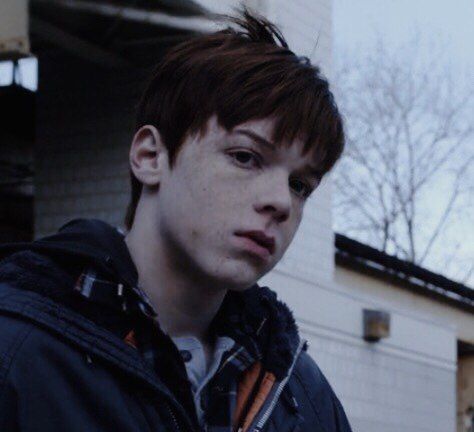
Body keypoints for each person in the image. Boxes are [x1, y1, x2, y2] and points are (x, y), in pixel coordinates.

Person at [0, 9, 352, 432]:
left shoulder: (304, 395)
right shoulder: (16, 352)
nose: (281, 201)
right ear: (151, 156)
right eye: (245, 157)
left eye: (300, 185)